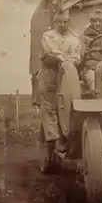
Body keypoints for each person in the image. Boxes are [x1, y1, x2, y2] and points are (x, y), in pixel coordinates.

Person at [38, 9, 82, 156]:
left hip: (68, 73)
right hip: (51, 73)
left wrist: (71, 60)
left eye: (65, 21)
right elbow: (52, 52)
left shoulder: (75, 38)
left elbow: (78, 56)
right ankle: (56, 140)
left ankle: (72, 135)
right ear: (55, 22)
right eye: (59, 21)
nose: (63, 24)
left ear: (69, 22)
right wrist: (66, 59)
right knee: (51, 106)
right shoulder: (48, 36)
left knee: (70, 103)